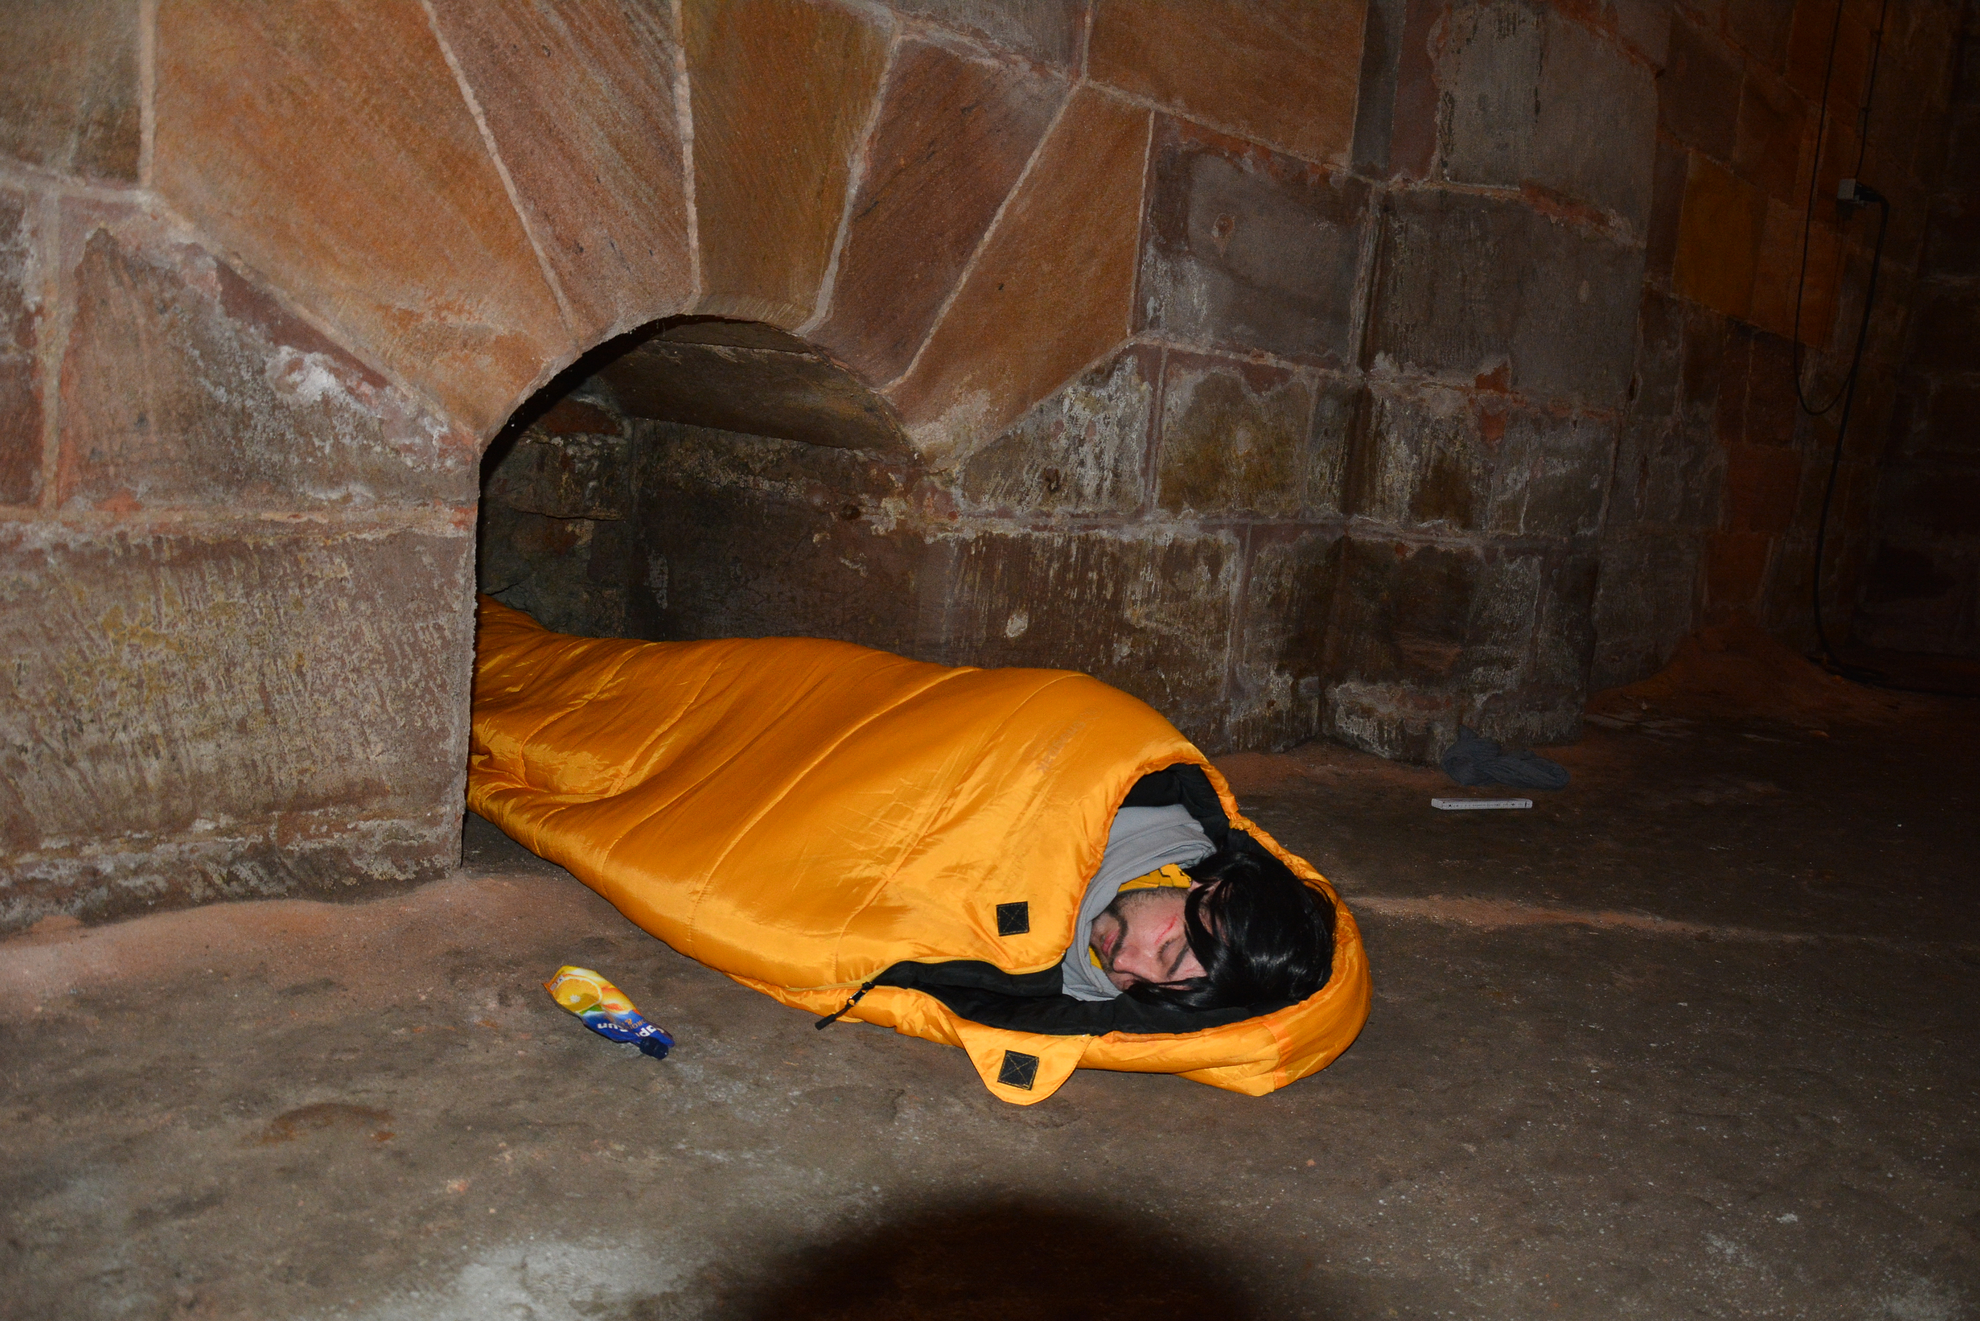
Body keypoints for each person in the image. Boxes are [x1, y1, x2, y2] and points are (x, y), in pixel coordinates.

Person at [1059, 803, 1337, 1011]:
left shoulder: (1065, 1000)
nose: (1122, 963)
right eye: (1168, 948)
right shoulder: (1128, 794)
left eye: (1142, 989)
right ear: (1216, 889)